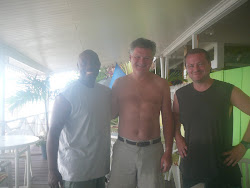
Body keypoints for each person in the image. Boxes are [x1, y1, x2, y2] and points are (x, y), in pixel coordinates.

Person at [173, 48, 250, 188]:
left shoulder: (227, 90)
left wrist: (244, 145)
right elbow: (175, 117)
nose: (195, 69)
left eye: (200, 64)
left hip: (223, 170)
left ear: (209, 64)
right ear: (186, 68)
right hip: (192, 170)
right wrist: (177, 136)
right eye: (191, 65)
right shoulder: (180, 95)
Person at [108, 38, 174, 188]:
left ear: (152, 60)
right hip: (124, 148)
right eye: (137, 57)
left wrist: (168, 151)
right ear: (130, 57)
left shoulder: (161, 84)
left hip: (152, 149)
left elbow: (168, 118)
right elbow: (111, 114)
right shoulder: (119, 84)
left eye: (146, 58)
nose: (141, 61)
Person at [47, 50, 111, 188]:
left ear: (99, 65)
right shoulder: (66, 96)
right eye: (84, 63)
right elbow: (53, 133)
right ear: (77, 66)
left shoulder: (105, 93)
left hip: (99, 168)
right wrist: (52, 170)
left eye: (94, 62)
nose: (89, 66)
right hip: (75, 171)